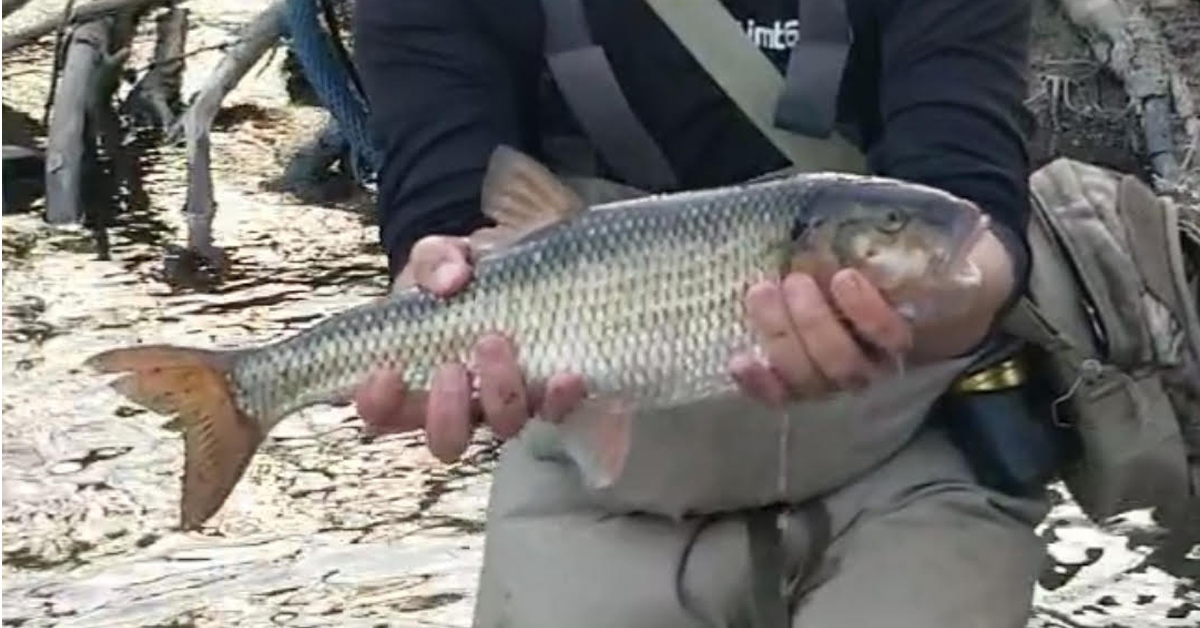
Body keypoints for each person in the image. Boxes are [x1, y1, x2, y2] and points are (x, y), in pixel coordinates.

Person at [350, 0, 1051, 626]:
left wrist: (955, 301)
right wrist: (428, 295)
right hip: (589, 490)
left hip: (905, 463)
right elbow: (445, 217)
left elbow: (973, 204)